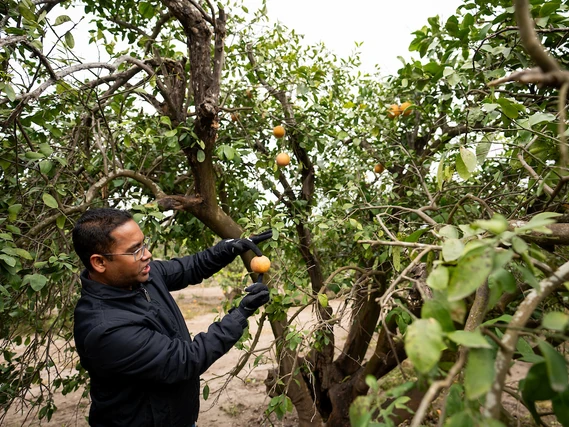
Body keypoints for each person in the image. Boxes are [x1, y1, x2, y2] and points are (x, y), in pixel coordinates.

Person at [71, 207, 272, 427]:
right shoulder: (106, 329)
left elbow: (191, 267)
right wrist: (240, 314)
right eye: (135, 250)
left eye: (143, 244)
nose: (147, 254)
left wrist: (230, 247)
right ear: (99, 262)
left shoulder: (140, 276)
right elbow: (186, 359)